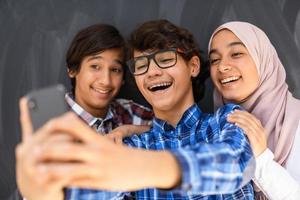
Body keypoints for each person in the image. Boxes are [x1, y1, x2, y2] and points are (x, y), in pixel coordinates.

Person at [17, 20, 255, 200]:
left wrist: (142, 167)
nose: (152, 72)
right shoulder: (131, 146)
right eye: (141, 64)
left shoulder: (225, 120)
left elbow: (237, 164)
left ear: (192, 66)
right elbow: (91, 192)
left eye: (164, 59)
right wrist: (45, 192)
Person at [16, 23, 153, 200]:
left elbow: (169, 132)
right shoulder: (52, 121)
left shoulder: (128, 111)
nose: (105, 80)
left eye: (115, 70)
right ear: (73, 69)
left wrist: (127, 130)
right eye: (95, 66)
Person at [208, 21, 300, 200]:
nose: (222, 66)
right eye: (214, 60)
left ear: (262, 57)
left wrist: (261, 159)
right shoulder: (215, 131)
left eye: (236, 54)